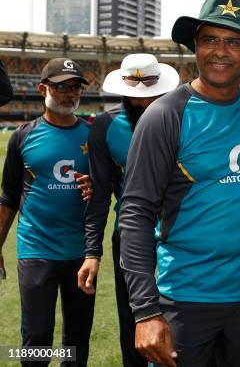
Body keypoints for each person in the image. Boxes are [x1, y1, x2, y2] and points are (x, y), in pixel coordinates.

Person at [118, 0, 240, 367]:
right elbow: (136, 214)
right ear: (195, 45)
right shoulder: (164, 115)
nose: (220, 51)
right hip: (185, 298)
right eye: (210, 39)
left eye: (233, 41)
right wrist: (145, 312)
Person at [78, 53, 179, 367]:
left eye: (151, 95)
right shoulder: (105, 127)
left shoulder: (183, 117)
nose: (144, 103)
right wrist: (92, 252)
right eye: (136, 98)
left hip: (179, 235)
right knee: (135, 320)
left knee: (180, 316)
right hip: (132, 238)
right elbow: (99, 195)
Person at [0, 58, 94, 366]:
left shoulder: (94, 137)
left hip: (81, 252)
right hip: (36, 249)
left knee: (77, 337)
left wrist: (95, 187)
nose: (69, 94)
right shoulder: (22, 137)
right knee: (38, 334)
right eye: (61, 87)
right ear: (42, 89)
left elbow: (112, 189)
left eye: (75, 87)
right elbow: (9, 197)